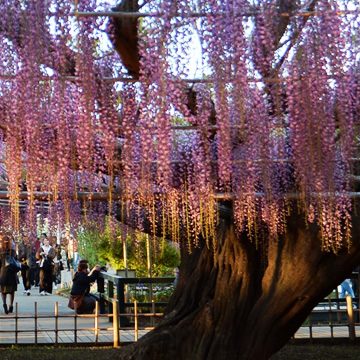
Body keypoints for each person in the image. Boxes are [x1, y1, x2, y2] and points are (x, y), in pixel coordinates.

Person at [0, 235, 19, 314]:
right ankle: (11, 305)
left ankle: (4, 304)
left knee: (3, 291)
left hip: (3, 273)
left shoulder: (0, 251)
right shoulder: (12, 251)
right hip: (11, 273)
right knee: (12, 291)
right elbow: (16, 260)